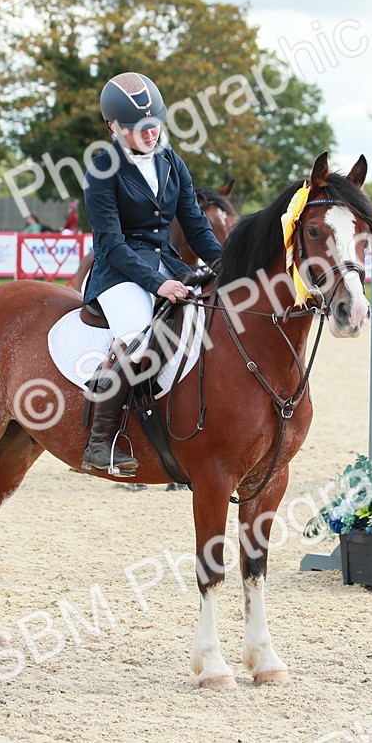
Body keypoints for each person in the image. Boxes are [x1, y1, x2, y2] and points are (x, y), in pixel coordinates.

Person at [80, 71, 223, 476]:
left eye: (154, 123)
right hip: (120, 273)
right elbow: (111, 243)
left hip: (169, 263)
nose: (148, 132)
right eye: (137, 127)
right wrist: (158, 282)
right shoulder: (101, 170)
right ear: (113, 127)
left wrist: (231, 263)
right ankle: (100, 442)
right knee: (139, 337)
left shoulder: (171, 161)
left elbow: (195, 226)